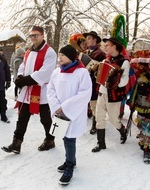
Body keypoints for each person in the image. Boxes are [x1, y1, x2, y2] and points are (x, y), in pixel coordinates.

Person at [1, 25, 57, 154]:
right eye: (31, 35)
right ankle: (16, 143)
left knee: (45, 119)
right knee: (22, 117)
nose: (33, 38)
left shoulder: (49, 52)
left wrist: (26, 80)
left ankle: (50, 140)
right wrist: (20, 76)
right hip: (28, 91)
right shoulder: (29, 51)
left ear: (43, 35)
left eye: (36, 35)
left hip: (41, 90)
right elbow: (23, 65)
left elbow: (45, 72)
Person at [47, 45, 92, 185]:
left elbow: (85, 93)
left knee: (70, 139)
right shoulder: (56, 72)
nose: (59, 57)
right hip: (59, 112)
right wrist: (55, 106)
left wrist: (65, 107)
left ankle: (70, 166)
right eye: (59, 55)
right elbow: (50, 89)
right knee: (63, 137)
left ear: (71, 57)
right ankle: (70, 161)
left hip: (73, 112)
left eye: (63, 55)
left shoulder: (81, 73)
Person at [91, 37, 130, 153]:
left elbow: (125, 80)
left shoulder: (124, 62)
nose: (105, 47)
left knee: (113, 119)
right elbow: (99, 76)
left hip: (114, 95)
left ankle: (122, 130)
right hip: (101, 93)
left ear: (114, 47)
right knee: (99, 118)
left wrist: (116, 82)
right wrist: (95, 73)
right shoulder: (105, 60)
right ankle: (101, 143)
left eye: (107, 45)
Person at [83, 31, 106, 135]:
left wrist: (94, 69)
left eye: (89, 38)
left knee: (94, 103)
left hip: (94, 82)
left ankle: (95, 124)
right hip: (85, 81)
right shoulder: (86, 52)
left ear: (95, 40)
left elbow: (103, 69)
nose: (87, 41)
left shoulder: (101, 54)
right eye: (86, 39)